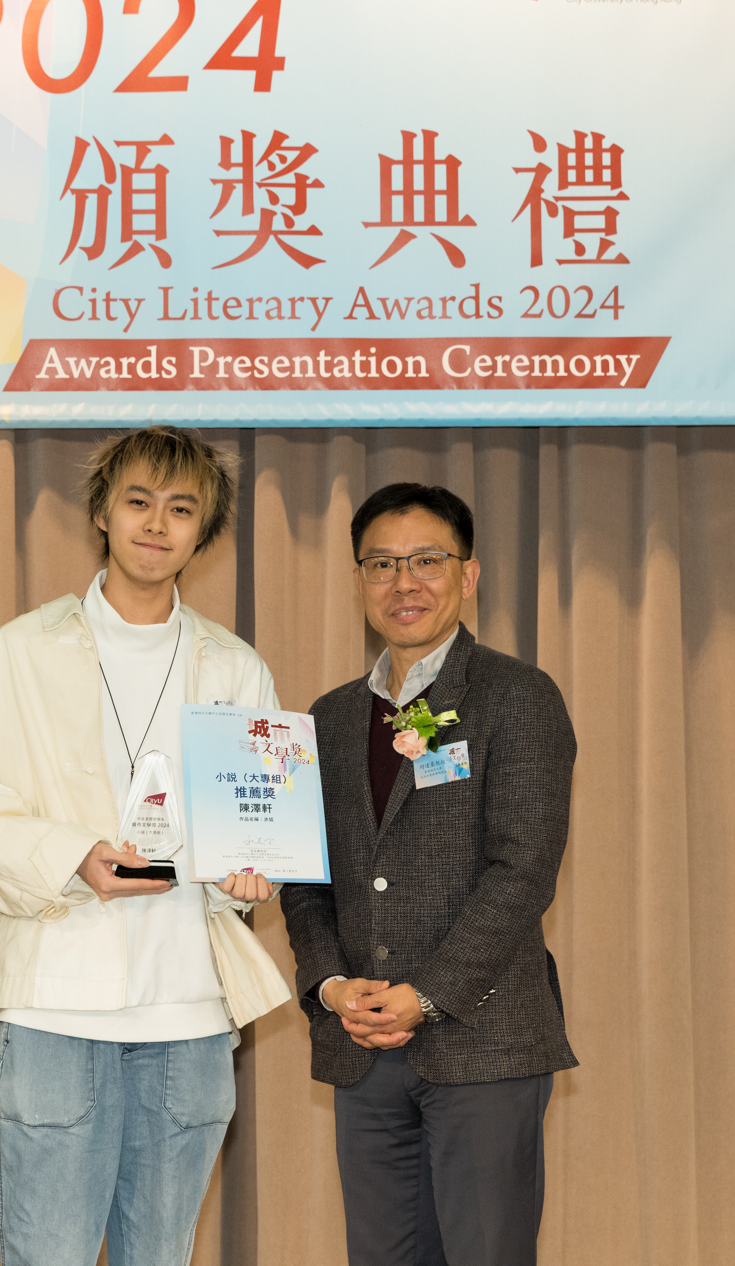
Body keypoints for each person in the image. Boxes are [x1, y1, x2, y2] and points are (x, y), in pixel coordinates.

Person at [0, 425, 292, 1266]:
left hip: (189, 1009)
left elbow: (255, 822)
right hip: (56, 1001)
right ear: (102, 513)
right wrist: (71, 857)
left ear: (203, 531)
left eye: (181, 509)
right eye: (138, 502)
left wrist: (248, 874)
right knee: (47, 1252)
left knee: (160, 1255)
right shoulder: (19, 653)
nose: (157, 524)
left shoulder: (236, 668)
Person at [280, 482, 578, 1266]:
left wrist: (428, 994)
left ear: (468, 575)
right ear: (358, 580)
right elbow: (305, 879)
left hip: (483, 1045)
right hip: (363, 1047)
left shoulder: (517, 697)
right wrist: (330, 986)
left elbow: (523, 870)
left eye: (426, 561)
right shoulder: (329, 719)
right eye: (381, 563)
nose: (402, 582)